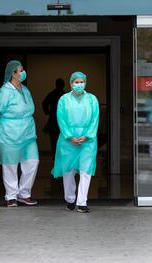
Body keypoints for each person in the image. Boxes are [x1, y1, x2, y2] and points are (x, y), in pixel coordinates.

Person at [0, 60, 39, 207]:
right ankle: (11, 196)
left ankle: (24, 194)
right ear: (13, 74)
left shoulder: (25, 90)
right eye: (20, 70)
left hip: (28, 134)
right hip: (9, 133)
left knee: (32, 162)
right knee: (10, 165)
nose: (23, 73)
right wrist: (3, 128)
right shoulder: (5, 91)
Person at [52, 72, 99, 213]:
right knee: (68, 171)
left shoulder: (92, 99)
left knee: (86, 171)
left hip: (88, 140)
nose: (79, 84)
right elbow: (61, 119)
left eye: (81, 81)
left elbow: (95, 119)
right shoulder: (64, 99)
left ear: (85, 82)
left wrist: (87, 135)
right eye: (76, 82)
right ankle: (70, 200)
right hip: (68, 140)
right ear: (71, 83)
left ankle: (82, 202)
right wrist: (69, 136)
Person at [42, 78, 66, 156]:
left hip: (54, 120)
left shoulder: (53, 94)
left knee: (54, 141)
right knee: (60, 140)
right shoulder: (64, 95)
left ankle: (56, 156)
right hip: (60, 121)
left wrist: (48, 112)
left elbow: (44, 103)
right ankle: (59, 156)